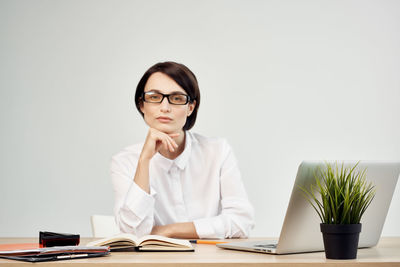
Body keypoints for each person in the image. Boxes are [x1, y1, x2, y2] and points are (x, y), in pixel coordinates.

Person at [111, 61, 254, 239]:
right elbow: (132, 233)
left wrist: (168, 230)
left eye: (177, 98)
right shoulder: (125, 161)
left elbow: (242, 222)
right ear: (142, 105)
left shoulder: (218, 152)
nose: (165, 107)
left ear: (190, 108)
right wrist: (144, 161)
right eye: (154, 97)